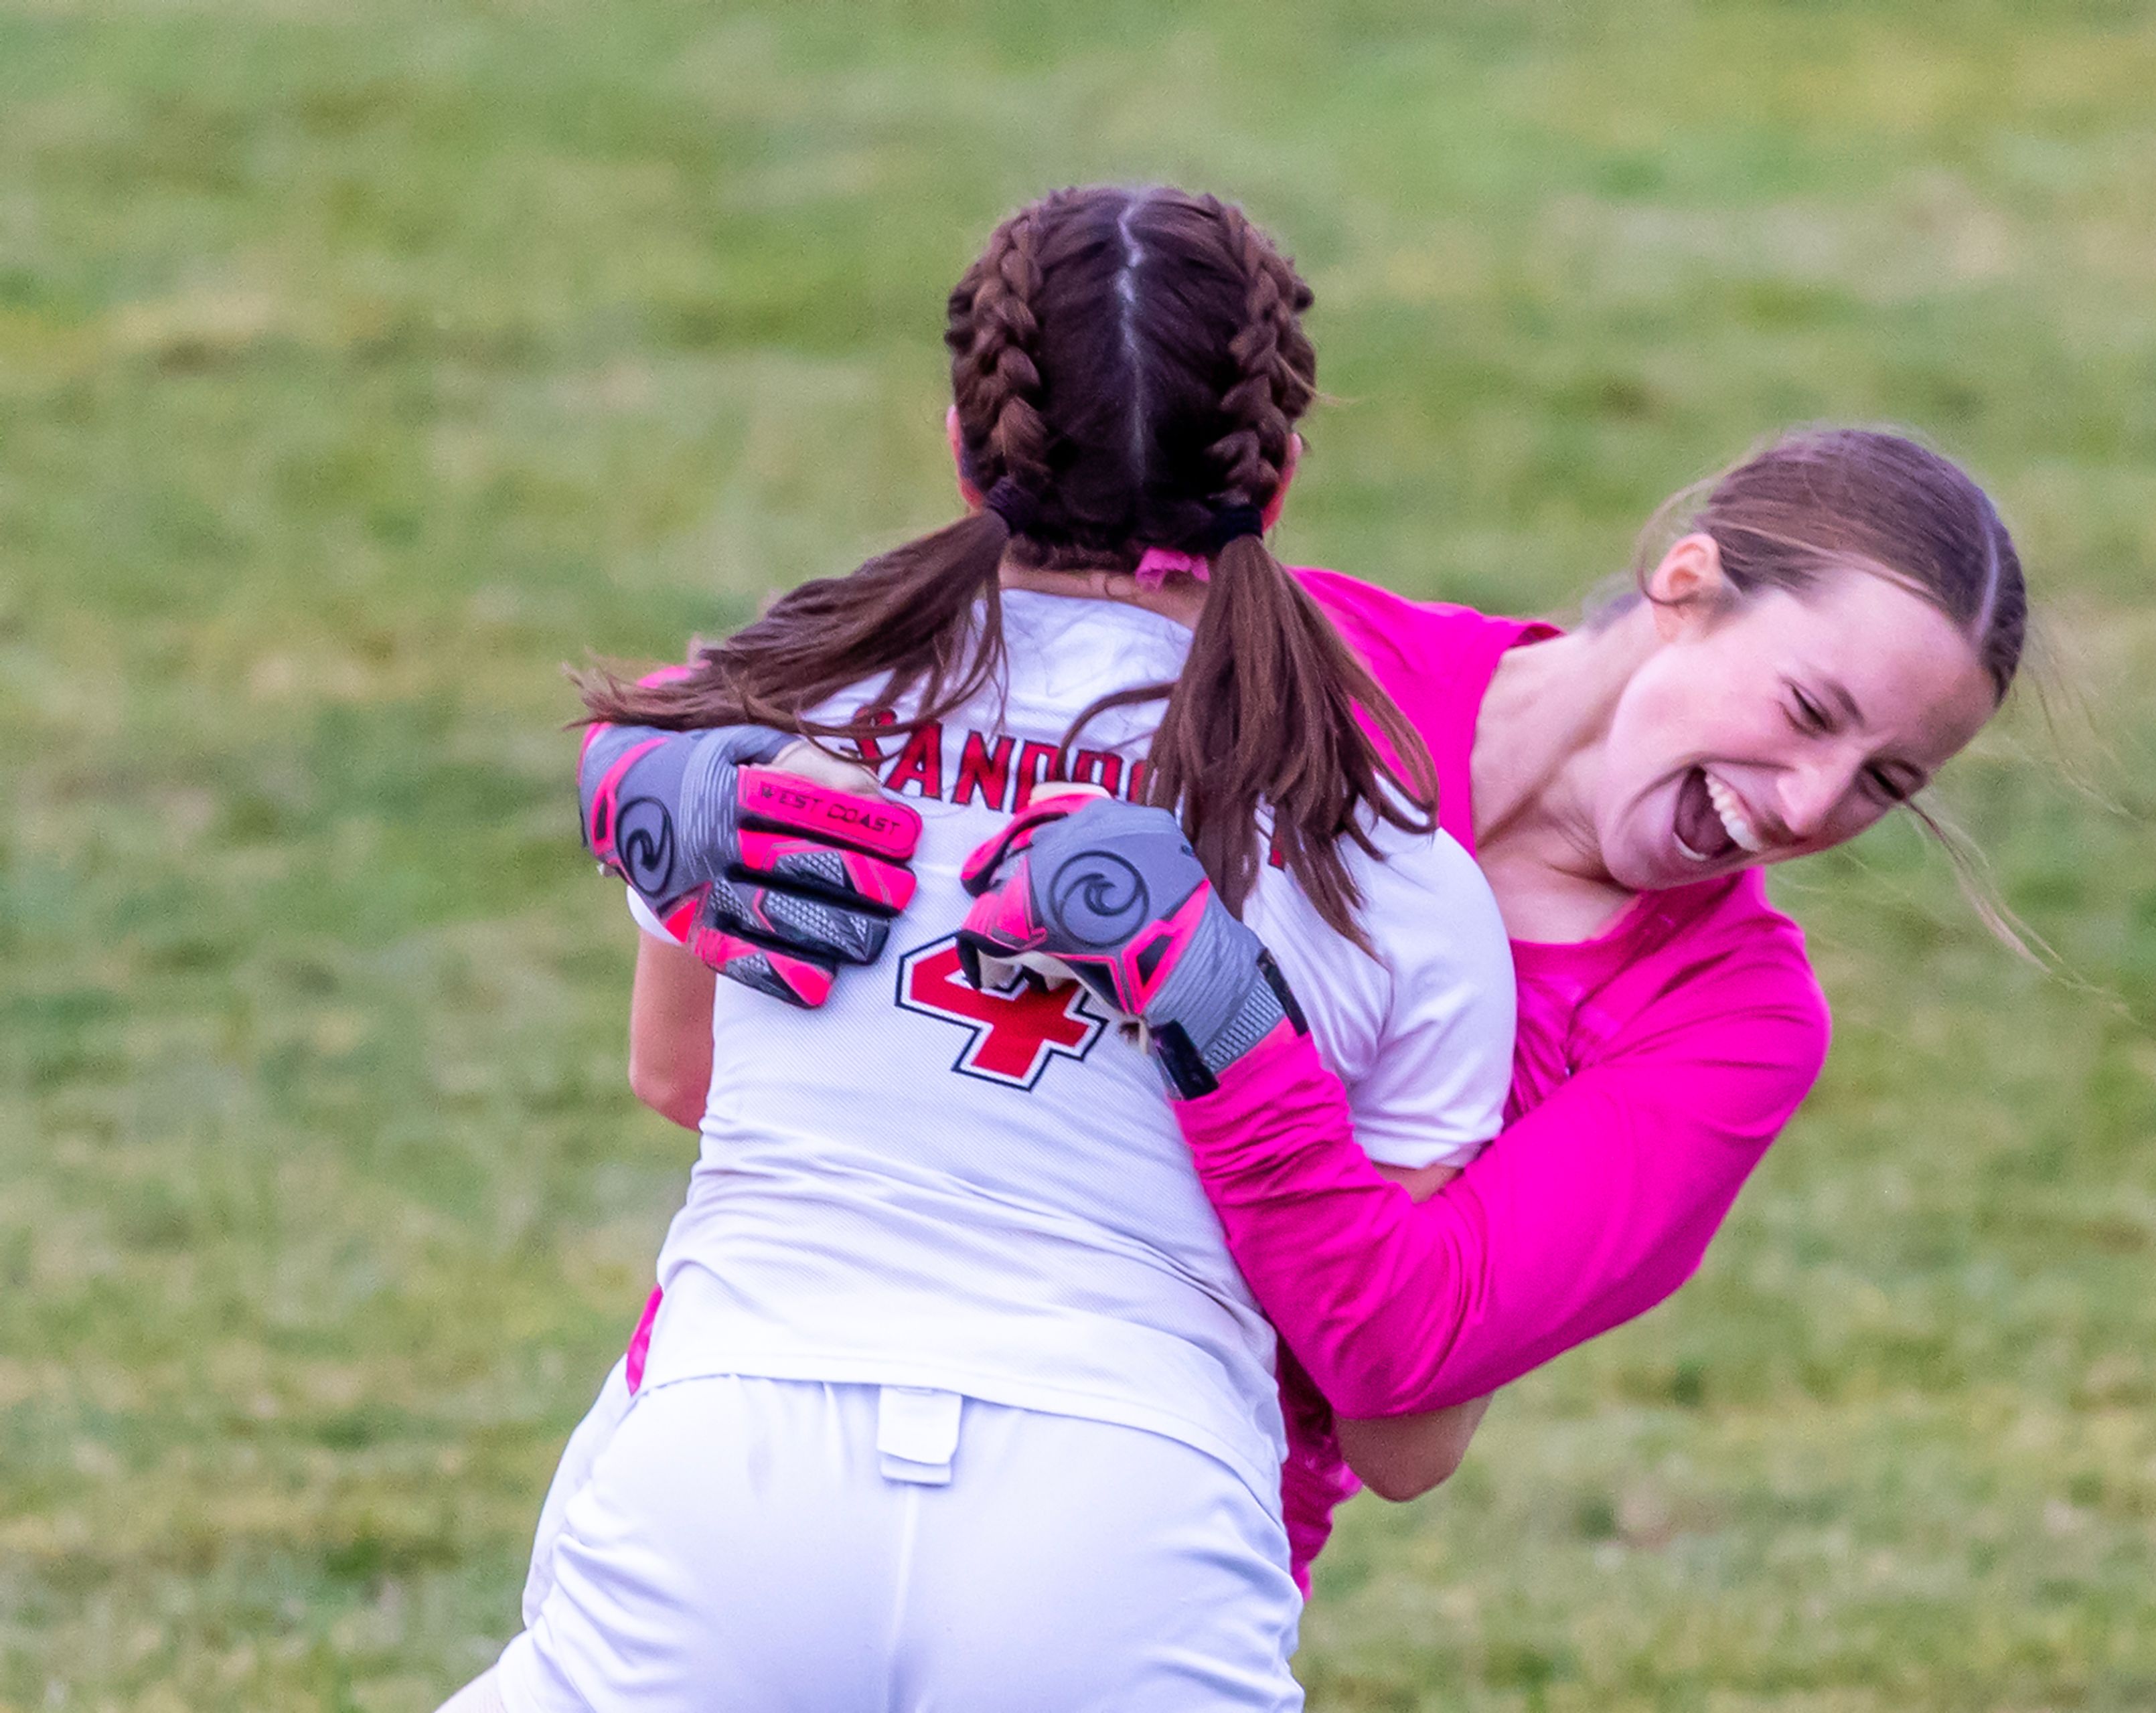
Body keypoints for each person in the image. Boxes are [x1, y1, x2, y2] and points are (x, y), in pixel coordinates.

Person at [448, 184, 1519, 1713]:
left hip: (739, 1445)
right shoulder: (1391, 850)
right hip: (1127, 1504)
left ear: (967, 447)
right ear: (1275, 479)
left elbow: (674, 1074)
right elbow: (1394, 1387)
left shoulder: (778, 717)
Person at [674, 425, 2031, 1587]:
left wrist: (1218, 1013)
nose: (1807, 804)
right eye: (1808, 709)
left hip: (1135, 1550)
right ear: (1688, 583)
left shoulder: (1725, 1022)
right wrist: (659, 780)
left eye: (1886, 781)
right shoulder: (1293, 654)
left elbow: (1403, 1408)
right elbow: (771, 747)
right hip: (773, 1414)